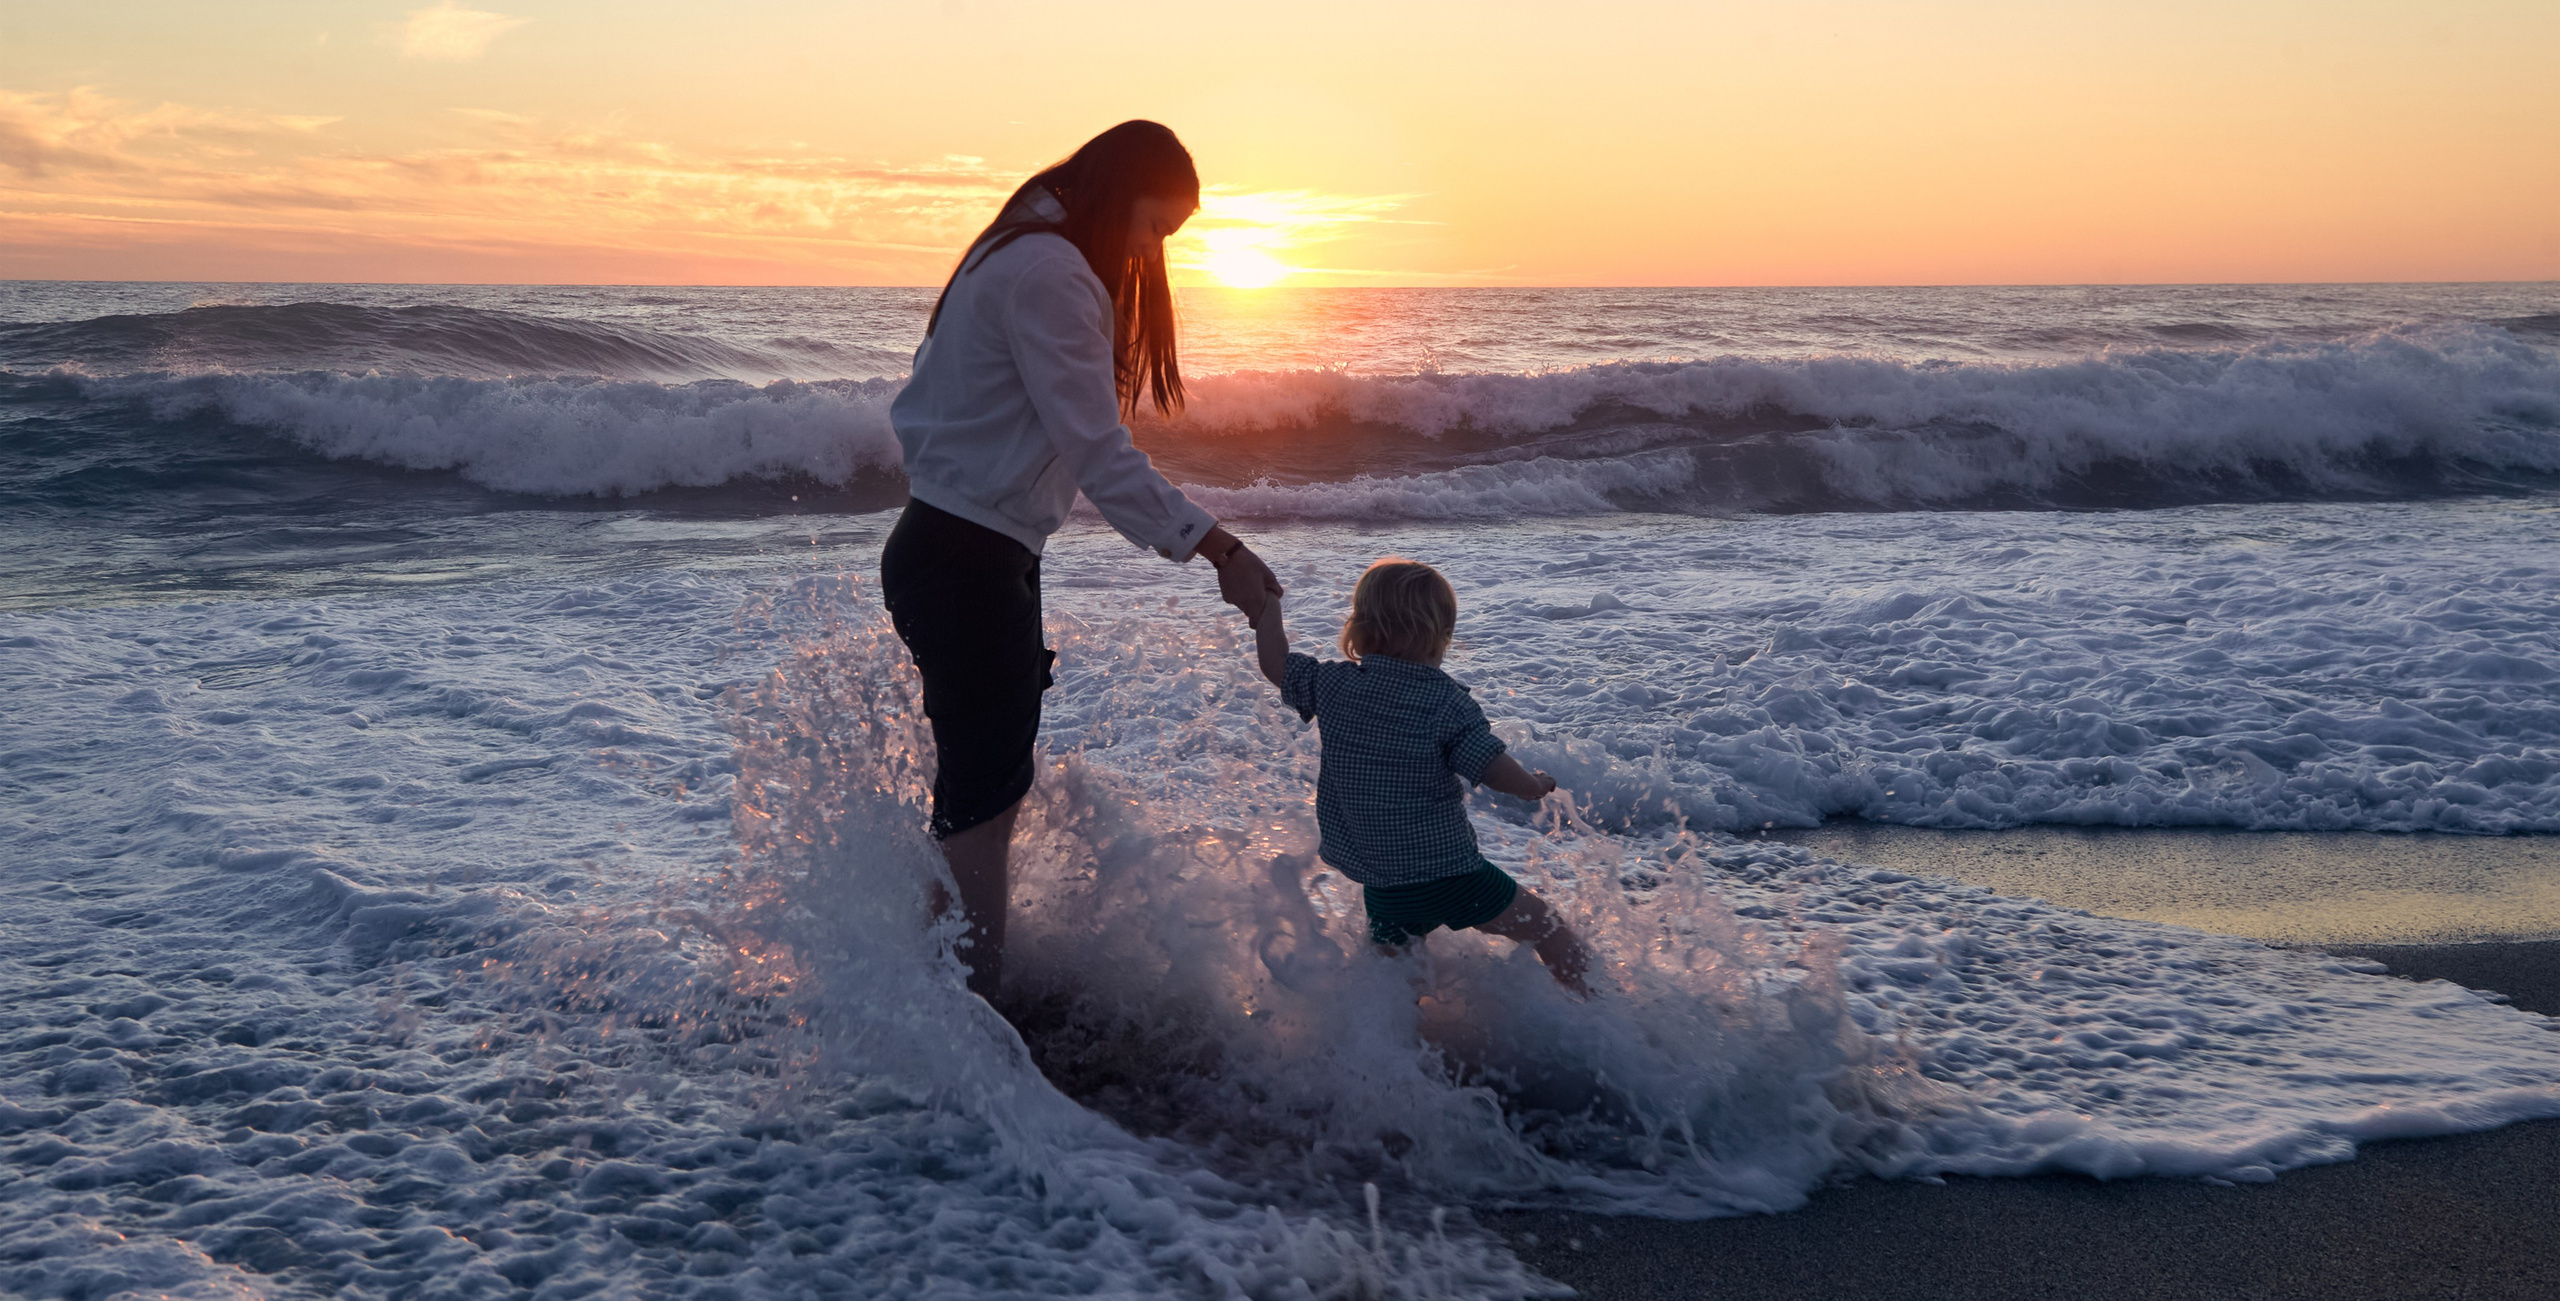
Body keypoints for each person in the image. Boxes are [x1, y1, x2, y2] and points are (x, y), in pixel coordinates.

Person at [881, 121, 1283, 999]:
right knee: (979, 813)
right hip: (964, 558)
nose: (1150, 252)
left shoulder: (1022, 246)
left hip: (969, 551)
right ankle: (973, 1013)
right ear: (1118, 194)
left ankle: (941, 988)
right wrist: (1221, 549)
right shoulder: (1050, 272)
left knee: (985, 802)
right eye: (1153, 228)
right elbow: (1100, 455)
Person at [1250, 558, 1592, 994]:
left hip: (1386, 888)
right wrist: (1533, 786)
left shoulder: (1331, 685)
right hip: (1451, 875)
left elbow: (1274, 662)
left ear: (1360, 627)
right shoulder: (1445, 701)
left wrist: (1269, 605)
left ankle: (1399, 1057)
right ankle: (1600, 1012)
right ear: (1438, 634)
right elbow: (1491, 767)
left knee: (1399, 987)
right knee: (1548, 929)